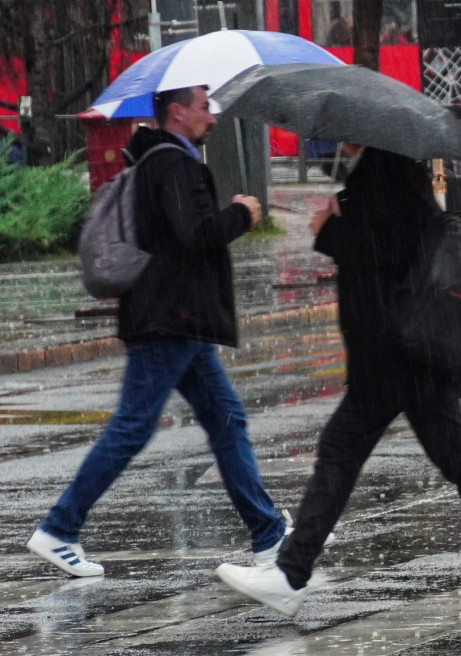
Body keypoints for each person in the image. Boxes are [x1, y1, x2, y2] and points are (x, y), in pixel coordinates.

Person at [216, 146, 461, 617]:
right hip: (402, 355)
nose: (338, 142)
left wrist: (328, 228)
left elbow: (391, 247)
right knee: (454, 458)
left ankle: (290, 574)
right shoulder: (383, 168)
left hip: (397, 354)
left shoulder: (388, 167)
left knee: (342, 451)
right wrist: (341, 213)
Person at [26, 85, 290, 577]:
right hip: (171, 318)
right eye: (204, 107)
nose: (211, 117)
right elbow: (196, 235)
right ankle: (59, 527)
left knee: (227, 419)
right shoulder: (173, 165)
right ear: (178, 110)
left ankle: (269, 534)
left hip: (175, 317)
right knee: (133, 426)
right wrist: (242, 214)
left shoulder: (158, 161)